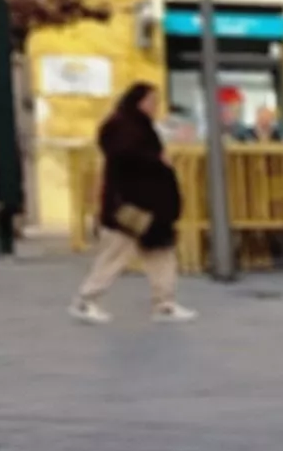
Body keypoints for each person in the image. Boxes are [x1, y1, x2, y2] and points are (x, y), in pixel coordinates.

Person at [74, 84, 194, 324]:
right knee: (117, 252)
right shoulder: (122, 127)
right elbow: (126, 158)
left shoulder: (140, 126)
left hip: (149, 205)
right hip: (130, 206)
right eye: (152, 101)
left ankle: (165, 303)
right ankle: (87, 300)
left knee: (159, 252)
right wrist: (158, 161)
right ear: (138, 101)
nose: (155, 107)